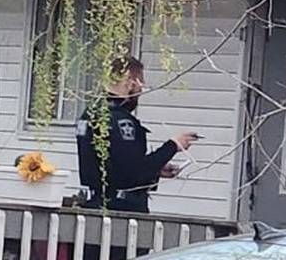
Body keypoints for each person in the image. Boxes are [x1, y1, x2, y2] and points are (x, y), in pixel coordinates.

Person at [76, 56, 198, 213]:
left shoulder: (89, 114)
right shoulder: (119, 120)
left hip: (96, 204)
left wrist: (156, 170)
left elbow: (116, 166)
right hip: (121, 210)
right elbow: (134, 173)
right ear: (130, 82)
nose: (140, 91)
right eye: (140, 84)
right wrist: (173, 146)